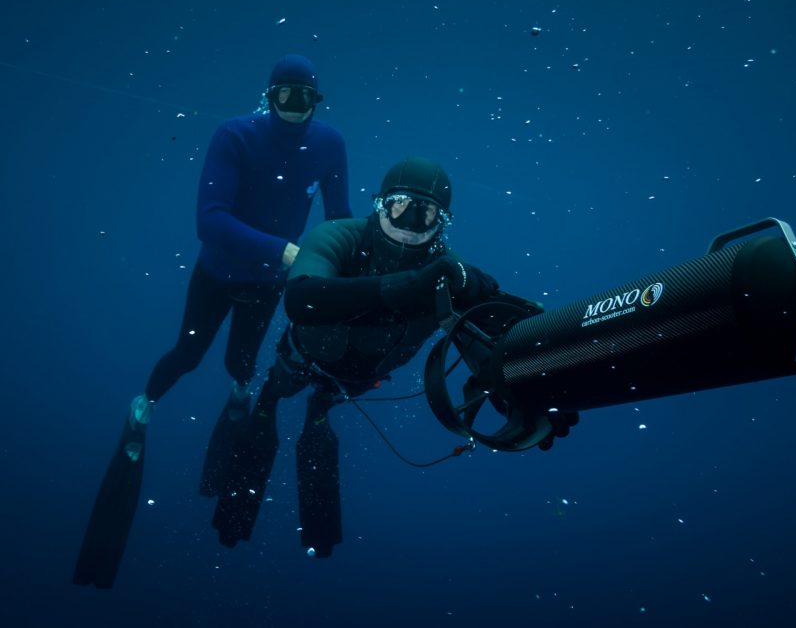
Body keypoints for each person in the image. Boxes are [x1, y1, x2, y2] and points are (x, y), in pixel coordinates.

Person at [74, 54, 352, 588]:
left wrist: (349, 270)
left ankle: (237, 401)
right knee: (188, 354)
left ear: (318, 103)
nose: (293, 109)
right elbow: (210, 221)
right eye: (283, 97)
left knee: (242, 365)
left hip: (266, 284)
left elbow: (339, 220)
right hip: (220, 275)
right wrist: (289, 253)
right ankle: (144, 407)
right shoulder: (235, 136)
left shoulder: (330, 144)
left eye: (304, 100)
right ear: (267, 97)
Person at [209, 156, 499, 557]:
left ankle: (317, 413)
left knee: (320, 411)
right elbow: (302, 300)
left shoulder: (447, 272)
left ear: (441, 220)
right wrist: (406, 285)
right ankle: (243, 480)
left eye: (425, 211)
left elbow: (498, 324)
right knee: (273, 399)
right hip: (301, 359)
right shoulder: (338, 237)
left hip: (358, 381)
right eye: (400, 205)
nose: (410, 223)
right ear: (380, 204)